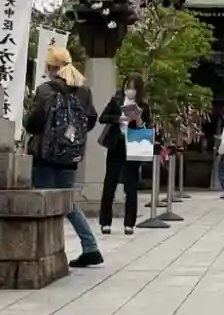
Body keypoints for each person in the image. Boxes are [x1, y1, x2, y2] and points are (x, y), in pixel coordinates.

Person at [24, 46, 103, 268]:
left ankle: (42, 250)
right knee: (68, 202)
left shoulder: (45, 90)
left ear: (51, 68)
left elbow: (33, 123)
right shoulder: (84, 91)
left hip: (45, 155)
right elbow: (90, 119)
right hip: (70, 156)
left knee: (43, 202)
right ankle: (90, 246)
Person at [98, 77, 148, 234]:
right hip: (117, 143)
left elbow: (146, 127)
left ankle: (129, 223)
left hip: (134, 143)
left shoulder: (143, 105)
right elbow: (103, 118)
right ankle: (105, 221)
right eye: (128, 87)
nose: (130, 91)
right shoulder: (117, 101)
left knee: (131, 185)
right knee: (110, 181)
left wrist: (138, 118)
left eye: (133, 88)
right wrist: (119, 118)